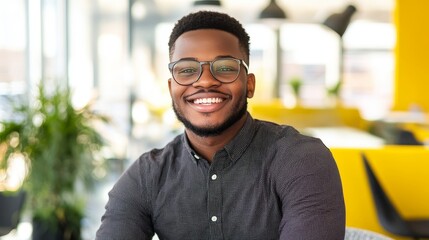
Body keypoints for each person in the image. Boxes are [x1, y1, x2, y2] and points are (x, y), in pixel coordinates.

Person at [96, 10, 345, 240]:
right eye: (186, 70)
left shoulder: (301, 160)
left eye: (225, 68)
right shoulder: (147, 176)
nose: (205, 81)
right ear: (171, 88)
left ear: (249, 85)